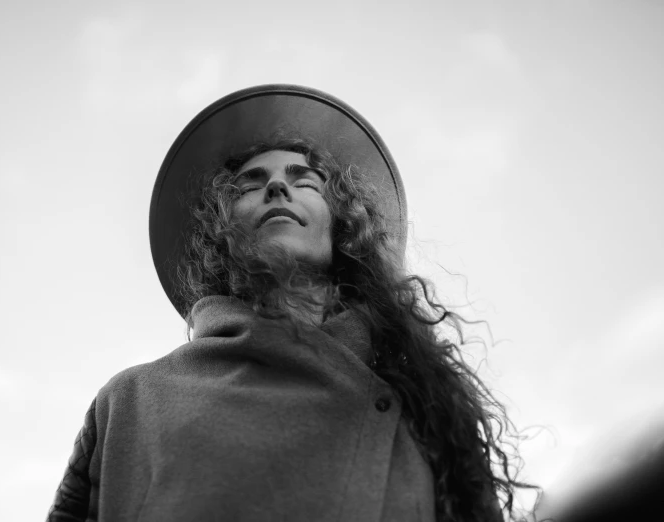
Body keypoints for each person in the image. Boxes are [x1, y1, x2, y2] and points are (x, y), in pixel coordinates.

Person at [47, 85, 538, 522]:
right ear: (222, 229)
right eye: (250, 183)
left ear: (345, 223)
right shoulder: (128, 402)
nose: (276, 186)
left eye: (304, 180)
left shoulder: (425, 409)